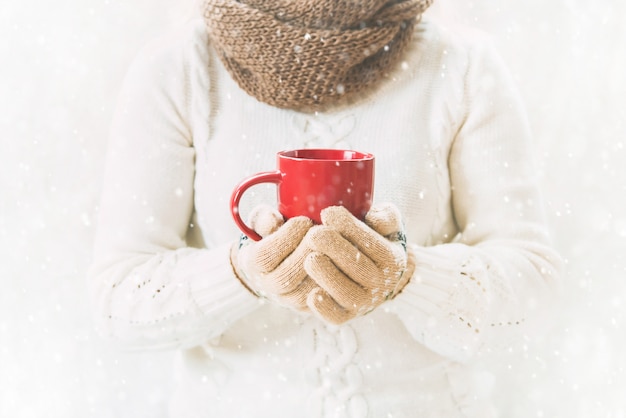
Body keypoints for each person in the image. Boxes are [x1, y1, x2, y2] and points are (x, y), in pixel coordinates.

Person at [88, 0, 562, 416]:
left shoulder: (462, 66)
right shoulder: (177, 70)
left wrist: (408, 278)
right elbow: (116, 302)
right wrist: (242, 273)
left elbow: (534, 288)